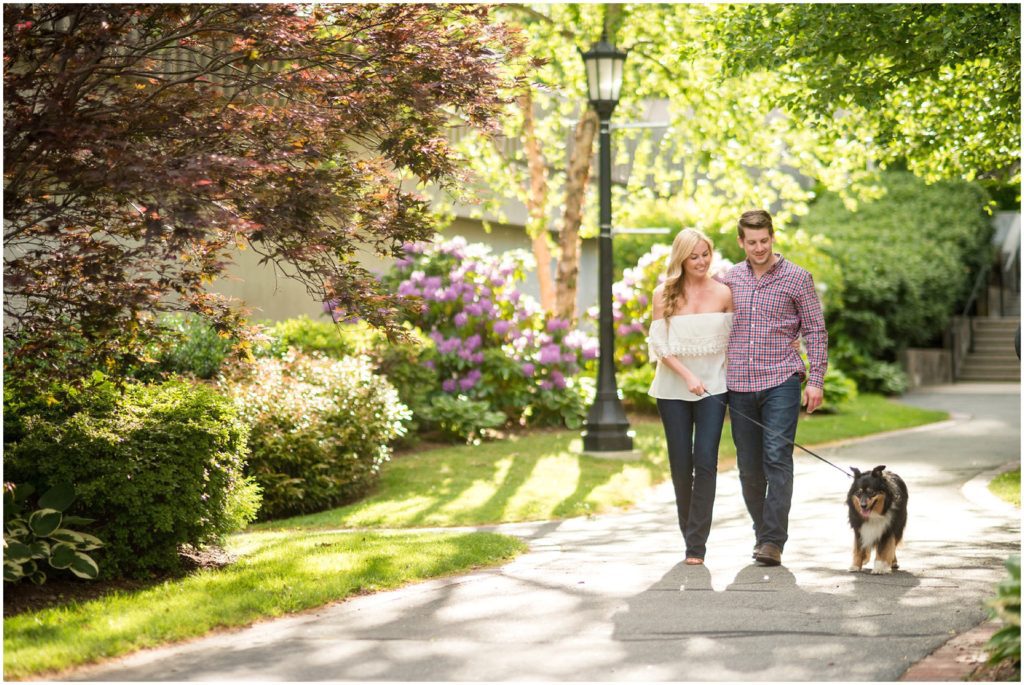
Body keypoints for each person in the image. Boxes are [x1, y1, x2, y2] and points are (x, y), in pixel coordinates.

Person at [719, 209, 828, 568]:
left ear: (772, 236)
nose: (759, 247)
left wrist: (816, 380)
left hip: (781, 380)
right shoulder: (729, 279)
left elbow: (816, 331)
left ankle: (772, 541)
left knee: (776, 459)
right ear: (741, 242)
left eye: (764, 240)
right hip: (738, 385)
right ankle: (762, 531)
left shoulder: (797, 278)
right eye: (752, 242)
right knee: (749, 468)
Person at [647, 228, 734, 566]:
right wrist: (688, 376)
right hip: (672, 391)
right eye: (694, 256)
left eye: (705, 254)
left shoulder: (724, 293)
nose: (701, 261)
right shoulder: (663, 294)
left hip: (715, 390)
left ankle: (696, 545)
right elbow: (660, 346)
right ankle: (690, 533)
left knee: (705, 462)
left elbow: (733, 343)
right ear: (681, 258)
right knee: (681, 464)